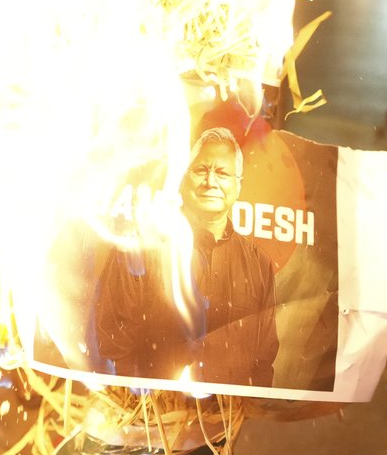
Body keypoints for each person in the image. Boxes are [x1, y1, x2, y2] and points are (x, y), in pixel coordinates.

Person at [96, 127, 279, 388]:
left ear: (238, 186)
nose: (211, 182)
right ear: (182, 178)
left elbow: (264, 358)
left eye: (223, 173)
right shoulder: (141, 245)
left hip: (225, 422)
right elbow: (112, 343)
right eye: (201, 170)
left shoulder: (258, 265)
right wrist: (141, 408)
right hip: (149, 419)